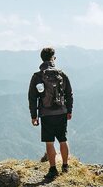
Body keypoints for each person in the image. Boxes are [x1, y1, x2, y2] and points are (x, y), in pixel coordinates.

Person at [28, 47, 73, 179]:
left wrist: (34, 116)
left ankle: (53, 169)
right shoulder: (62, 74)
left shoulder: (37, 76)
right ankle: (65, 166)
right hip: (61, 112)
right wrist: (69, 110)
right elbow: (69, 94)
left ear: (42, 59)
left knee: (49, 142)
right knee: (63, 139)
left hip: (46, 113)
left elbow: (32, 97)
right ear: (53, 58)